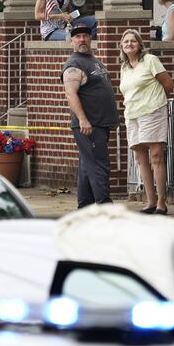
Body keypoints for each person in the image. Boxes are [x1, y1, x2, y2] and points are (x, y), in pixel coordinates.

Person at [61, 22, 119, 208]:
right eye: (77, 37)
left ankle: (84, 207)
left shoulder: (93, 60)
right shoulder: (73, 64)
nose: (82, 39)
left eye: (85, 35)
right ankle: (105, 206)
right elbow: (71, 93)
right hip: (89, 124)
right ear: (71, 41)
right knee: (99, 165)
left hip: (99, 123)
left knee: (88, 166)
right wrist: (83, 119)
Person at [119, 29, 174, 214]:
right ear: (122, 46)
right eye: (126, 42)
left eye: (133, 41)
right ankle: (150, 201)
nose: (129, 44)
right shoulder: (125, 67)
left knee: (156, 156)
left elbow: (167, 83)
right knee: (140, 157)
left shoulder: (150, 60)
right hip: (132, 114)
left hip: (152, 112)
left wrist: (156, 102)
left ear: (140, 44)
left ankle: (161, 202)